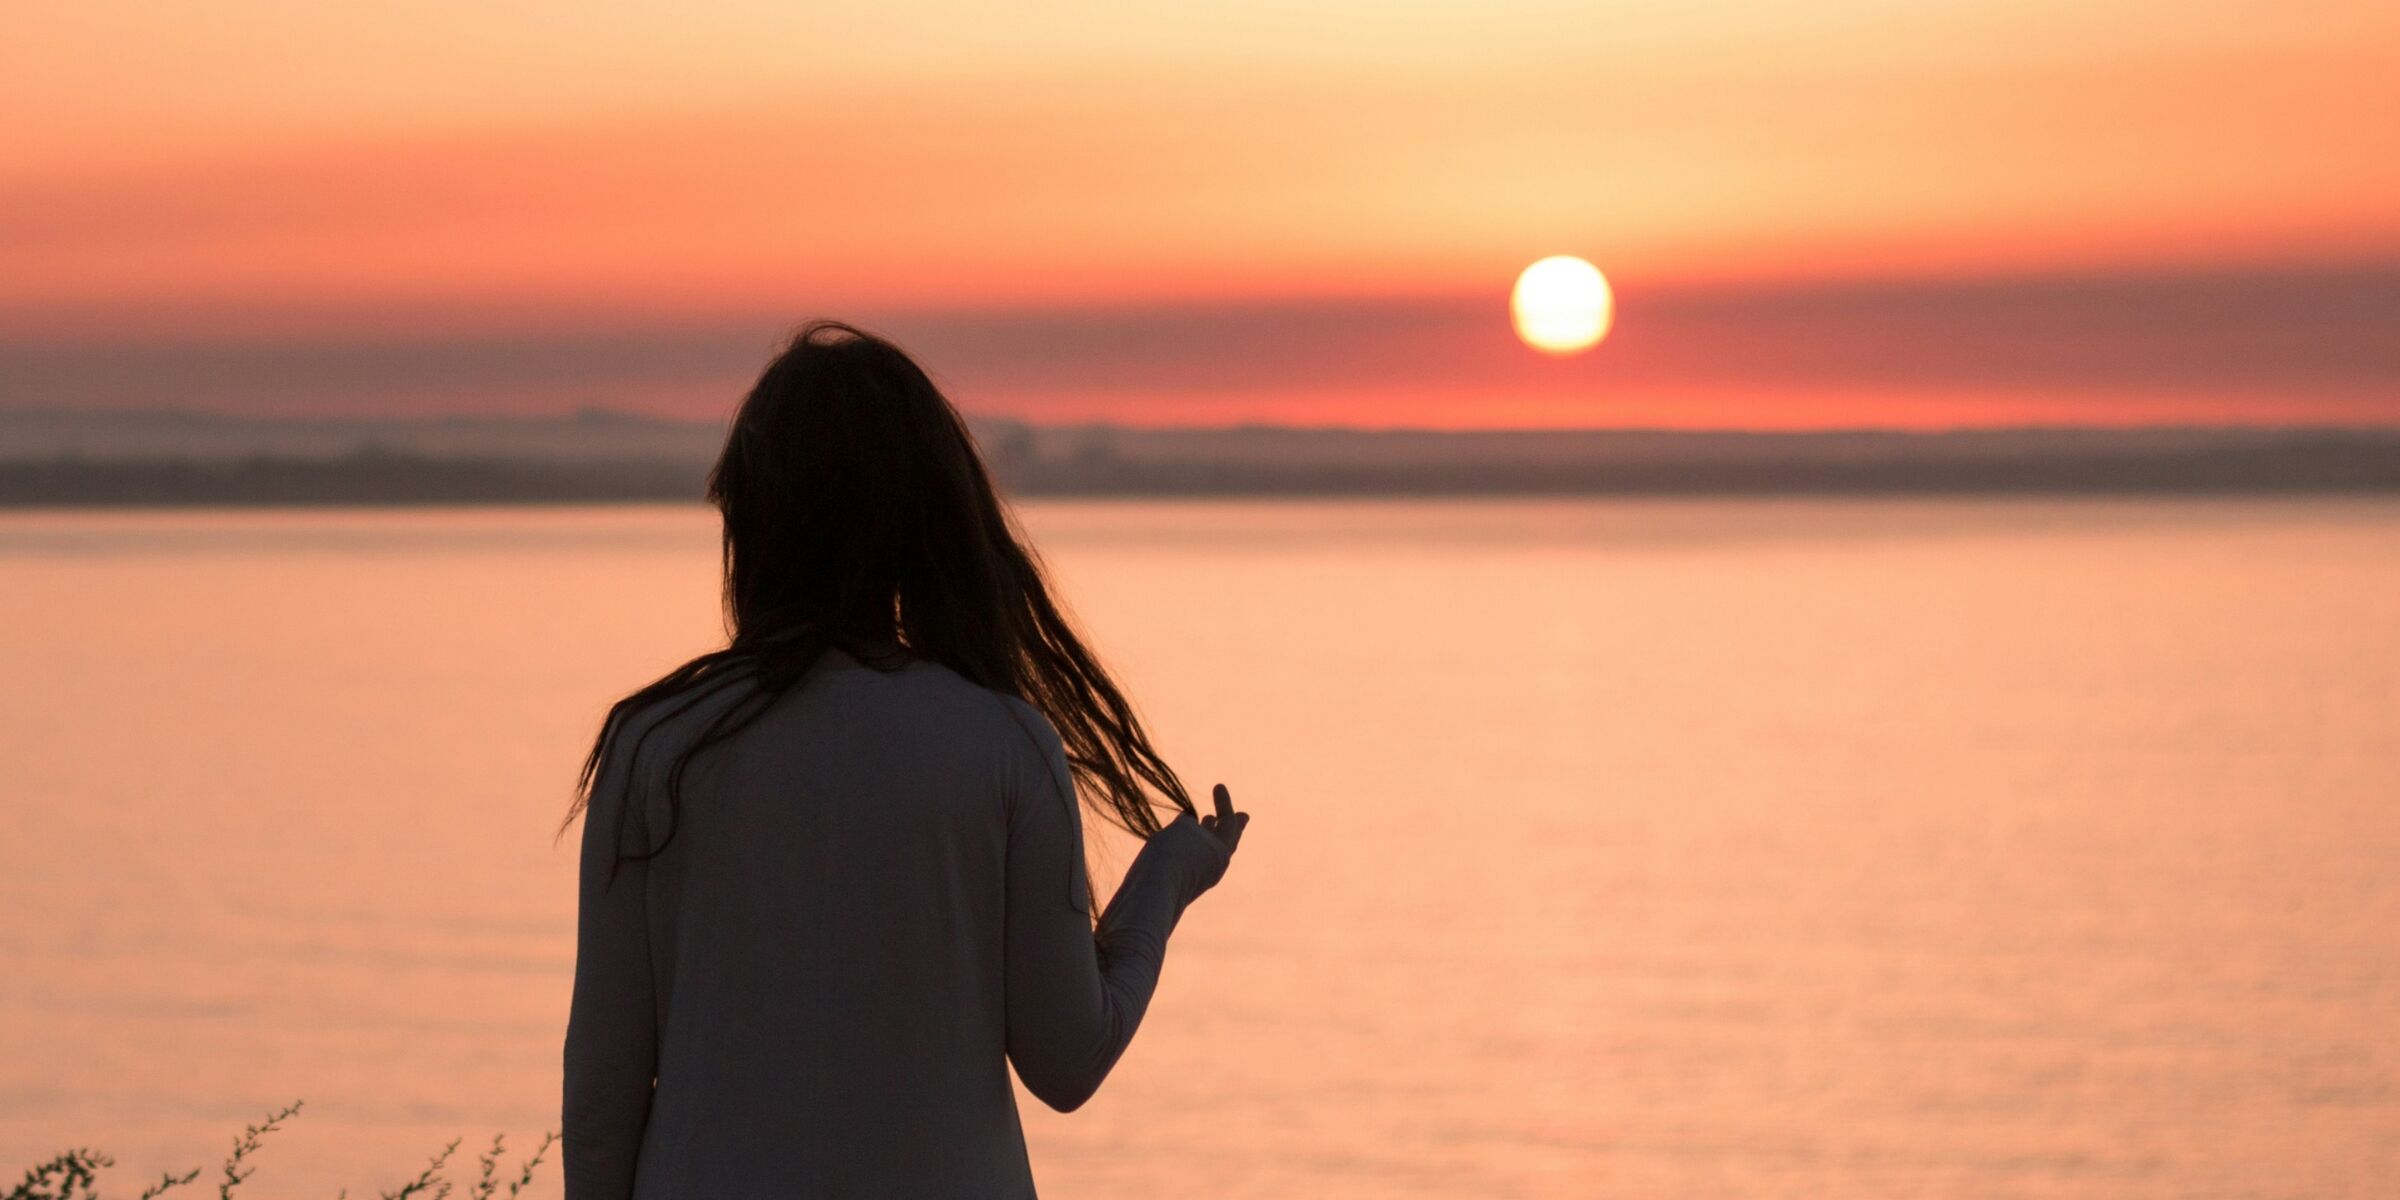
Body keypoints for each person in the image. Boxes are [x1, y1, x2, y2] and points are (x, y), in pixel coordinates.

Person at [559, 321, 1250, 1199]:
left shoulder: (659, 745)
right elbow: (1067, 1060)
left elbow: (603, 1098)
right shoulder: (1001, 743)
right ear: (928, 520)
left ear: (751, 517)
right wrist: (1166, 882)